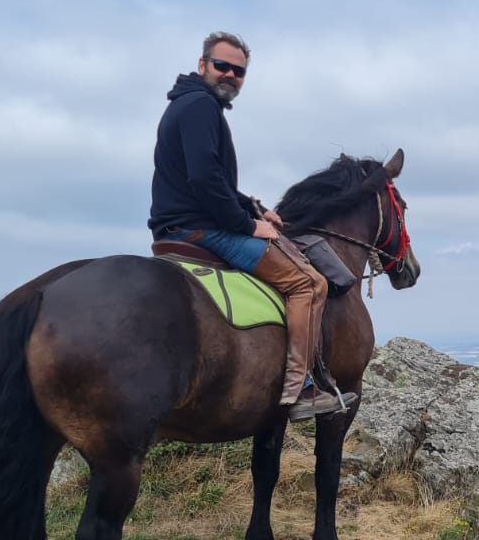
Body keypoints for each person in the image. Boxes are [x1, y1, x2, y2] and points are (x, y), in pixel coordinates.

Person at [148, 31, 352, 421]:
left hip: (180, 223)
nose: (230, 75)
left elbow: (211, 180)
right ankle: (301, 391)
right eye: (222, 66)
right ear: (202, 64)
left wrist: (254, 209)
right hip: (203, 229)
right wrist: (246, 224)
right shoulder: (200, 107)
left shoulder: (188, 105)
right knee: (309, 284)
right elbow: (205, 182)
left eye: (238, 71)